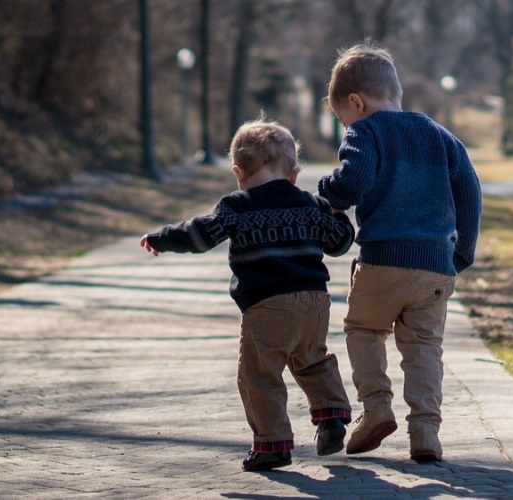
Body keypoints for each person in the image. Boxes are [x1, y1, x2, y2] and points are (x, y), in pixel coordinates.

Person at [139, 118, 356, 472]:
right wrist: (339, 213)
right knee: (313, 360)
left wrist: (163, 238)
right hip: (315, 303)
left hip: (267, 305)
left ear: (237, 171)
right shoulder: (310, 203)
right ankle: (331, 417)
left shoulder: (236, 206)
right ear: (293, 173)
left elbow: (200, 236)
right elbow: (339, 243)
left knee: (259, 375)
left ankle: (272, 444)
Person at [318, 42, 481, 462]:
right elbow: (470, 191)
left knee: (363, 330)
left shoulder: (365, 131)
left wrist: (326, 191)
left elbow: (351, 183)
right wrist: (462, 252)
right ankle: (425, 432)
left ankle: (375, 409)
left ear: (357, 102)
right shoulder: (439, 135)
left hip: (382, 261)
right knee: (425, 347)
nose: (344, 125)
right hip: (435, 267)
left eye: (342, 118)